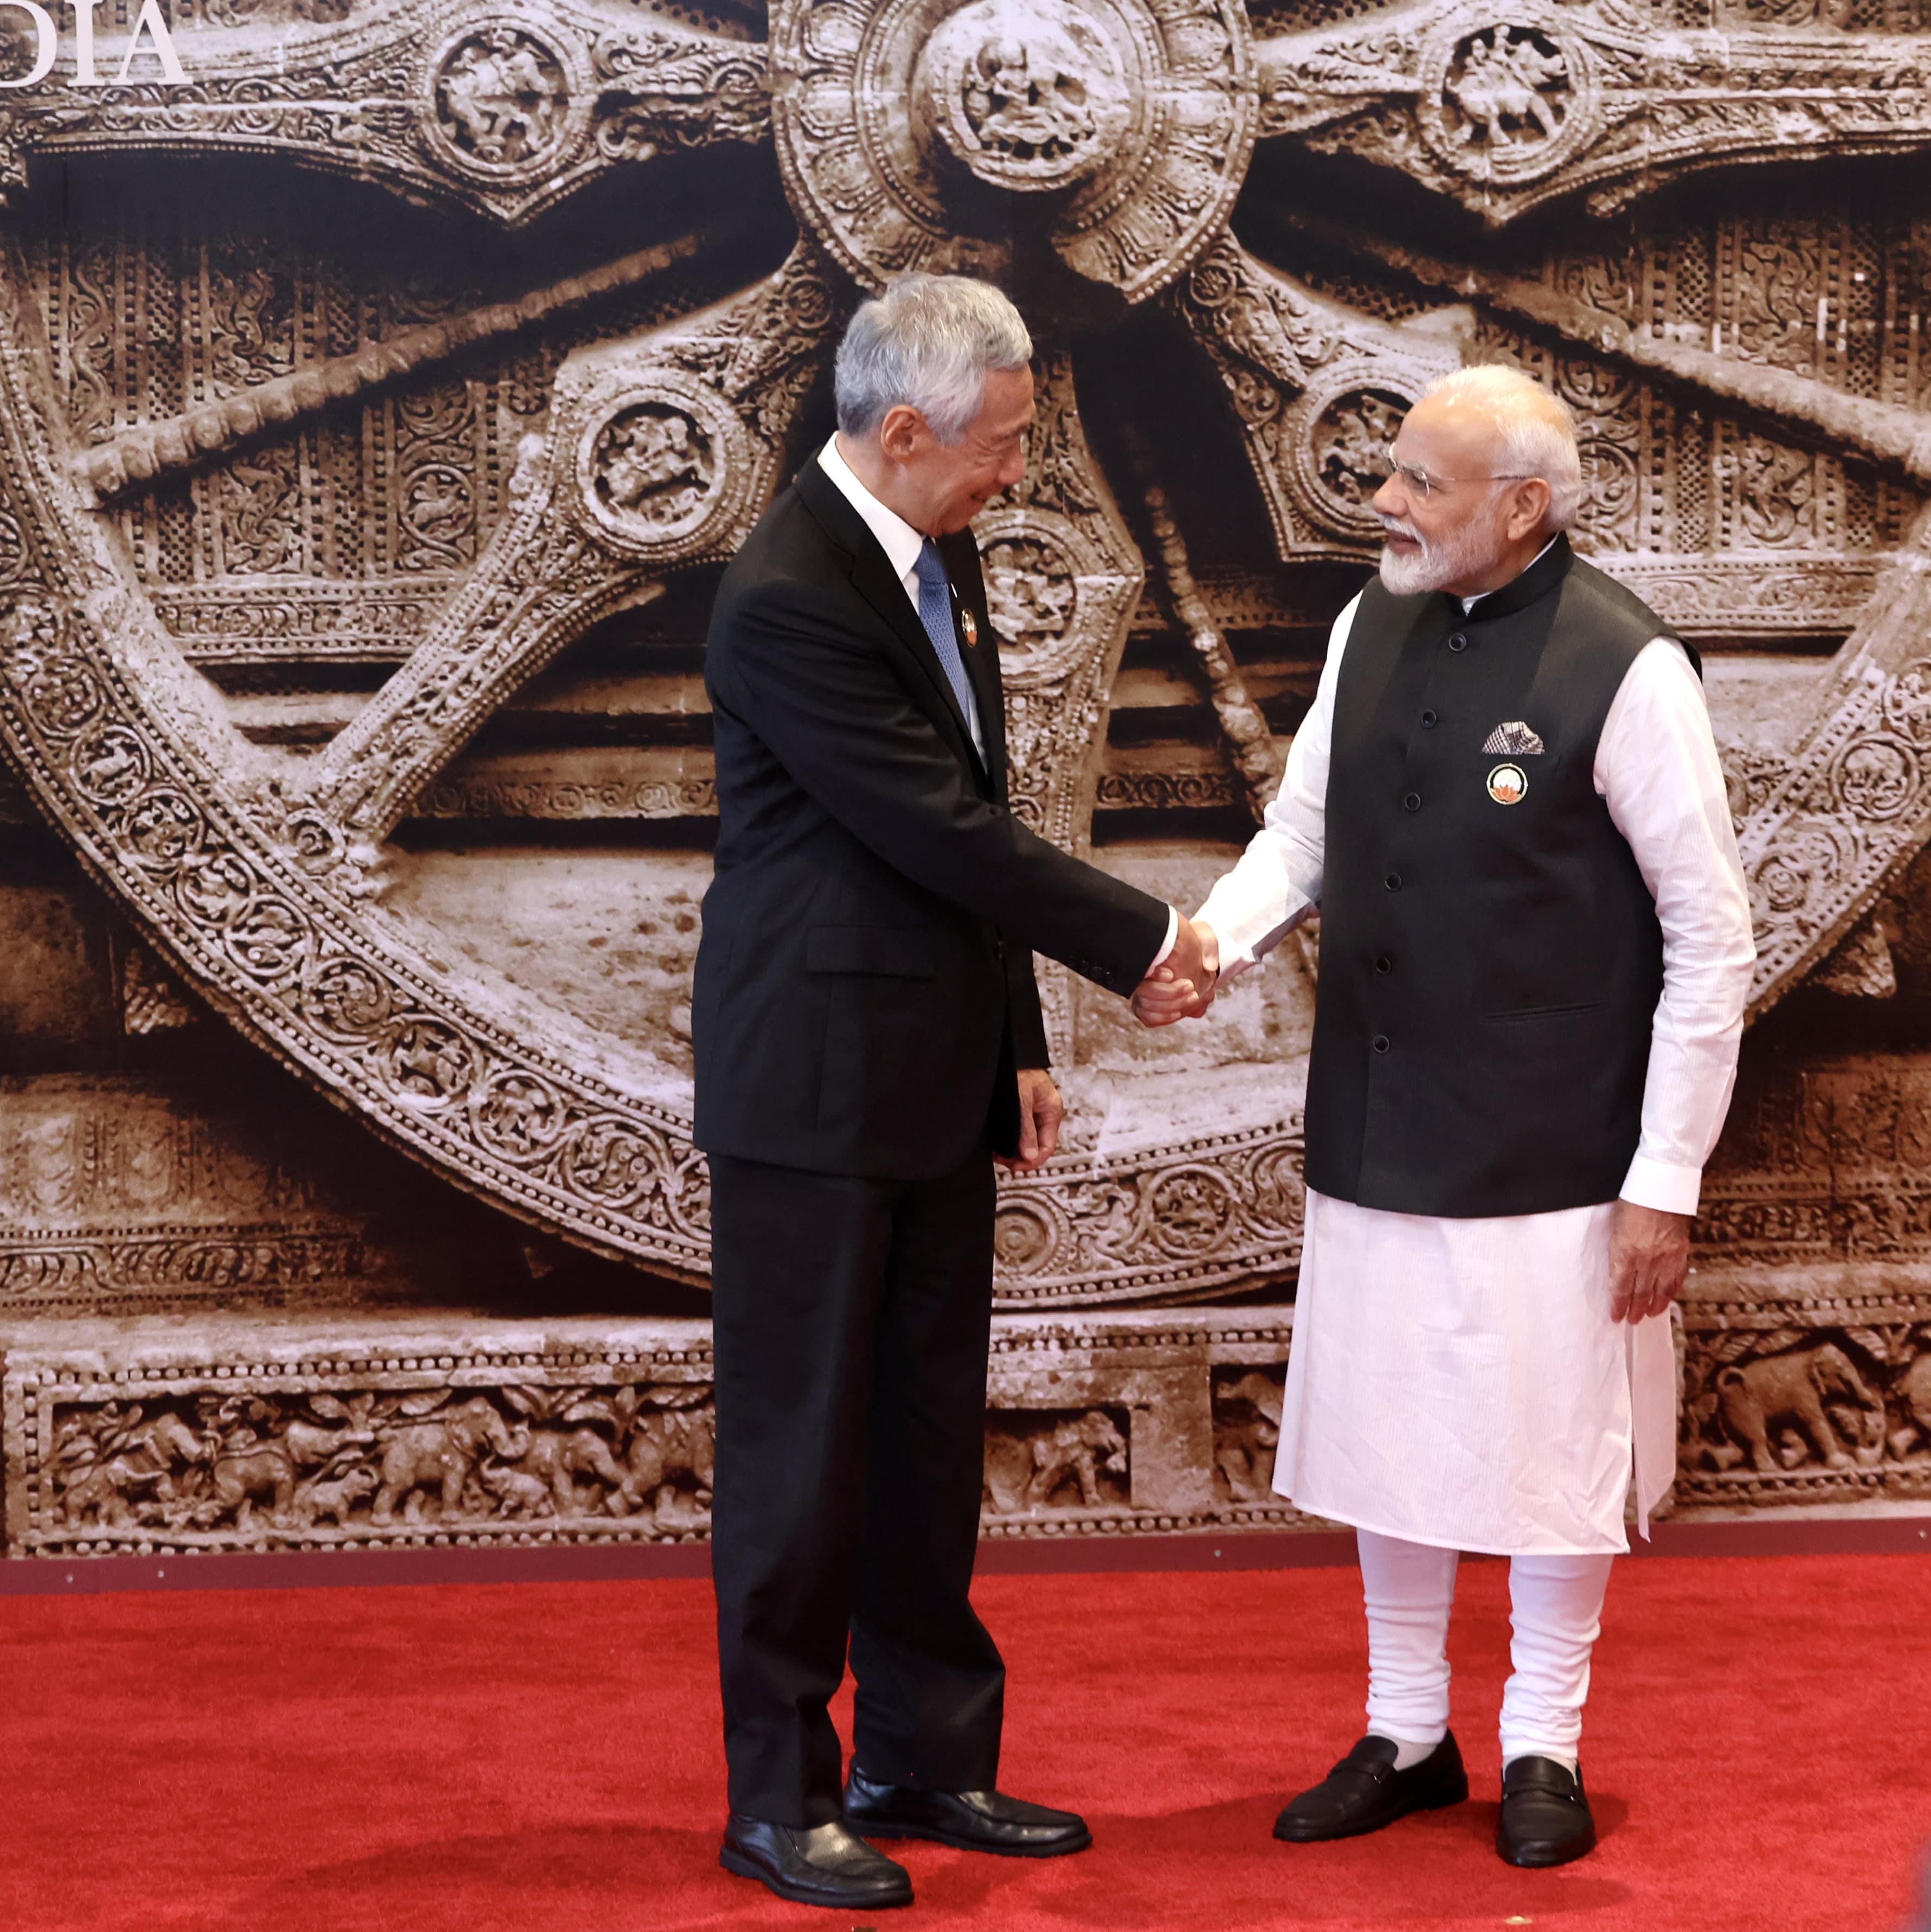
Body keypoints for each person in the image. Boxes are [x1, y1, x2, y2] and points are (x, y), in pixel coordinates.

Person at [1136, 362, 1754, 1867]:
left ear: (1522, 506)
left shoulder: (1629, 667)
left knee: (1551, 1451)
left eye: (1421, 482)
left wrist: (1665, 1175)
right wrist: (1213, 941)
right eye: (1393, 472)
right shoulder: (1373, 621)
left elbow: (1712, 936)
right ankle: (1407, 1730)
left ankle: (1547, 1740)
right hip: (1377, 1113)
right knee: (1389, 1433)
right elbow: (1305, 834)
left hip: (1559, 1146)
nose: (1386, 502)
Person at [696, 273, 1216, 1911]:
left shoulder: (941, 551)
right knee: (805, 1452)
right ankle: (777, 1796)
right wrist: (1147, 934)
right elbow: (938, 824)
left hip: (932, 1073)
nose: (1014, 472)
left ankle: (922, 1753)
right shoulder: (788, 591)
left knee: (925, 1438)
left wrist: (1021, 1035)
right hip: (811, 1084)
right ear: (904, 431)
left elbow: (973, 809)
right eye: (996, 446)